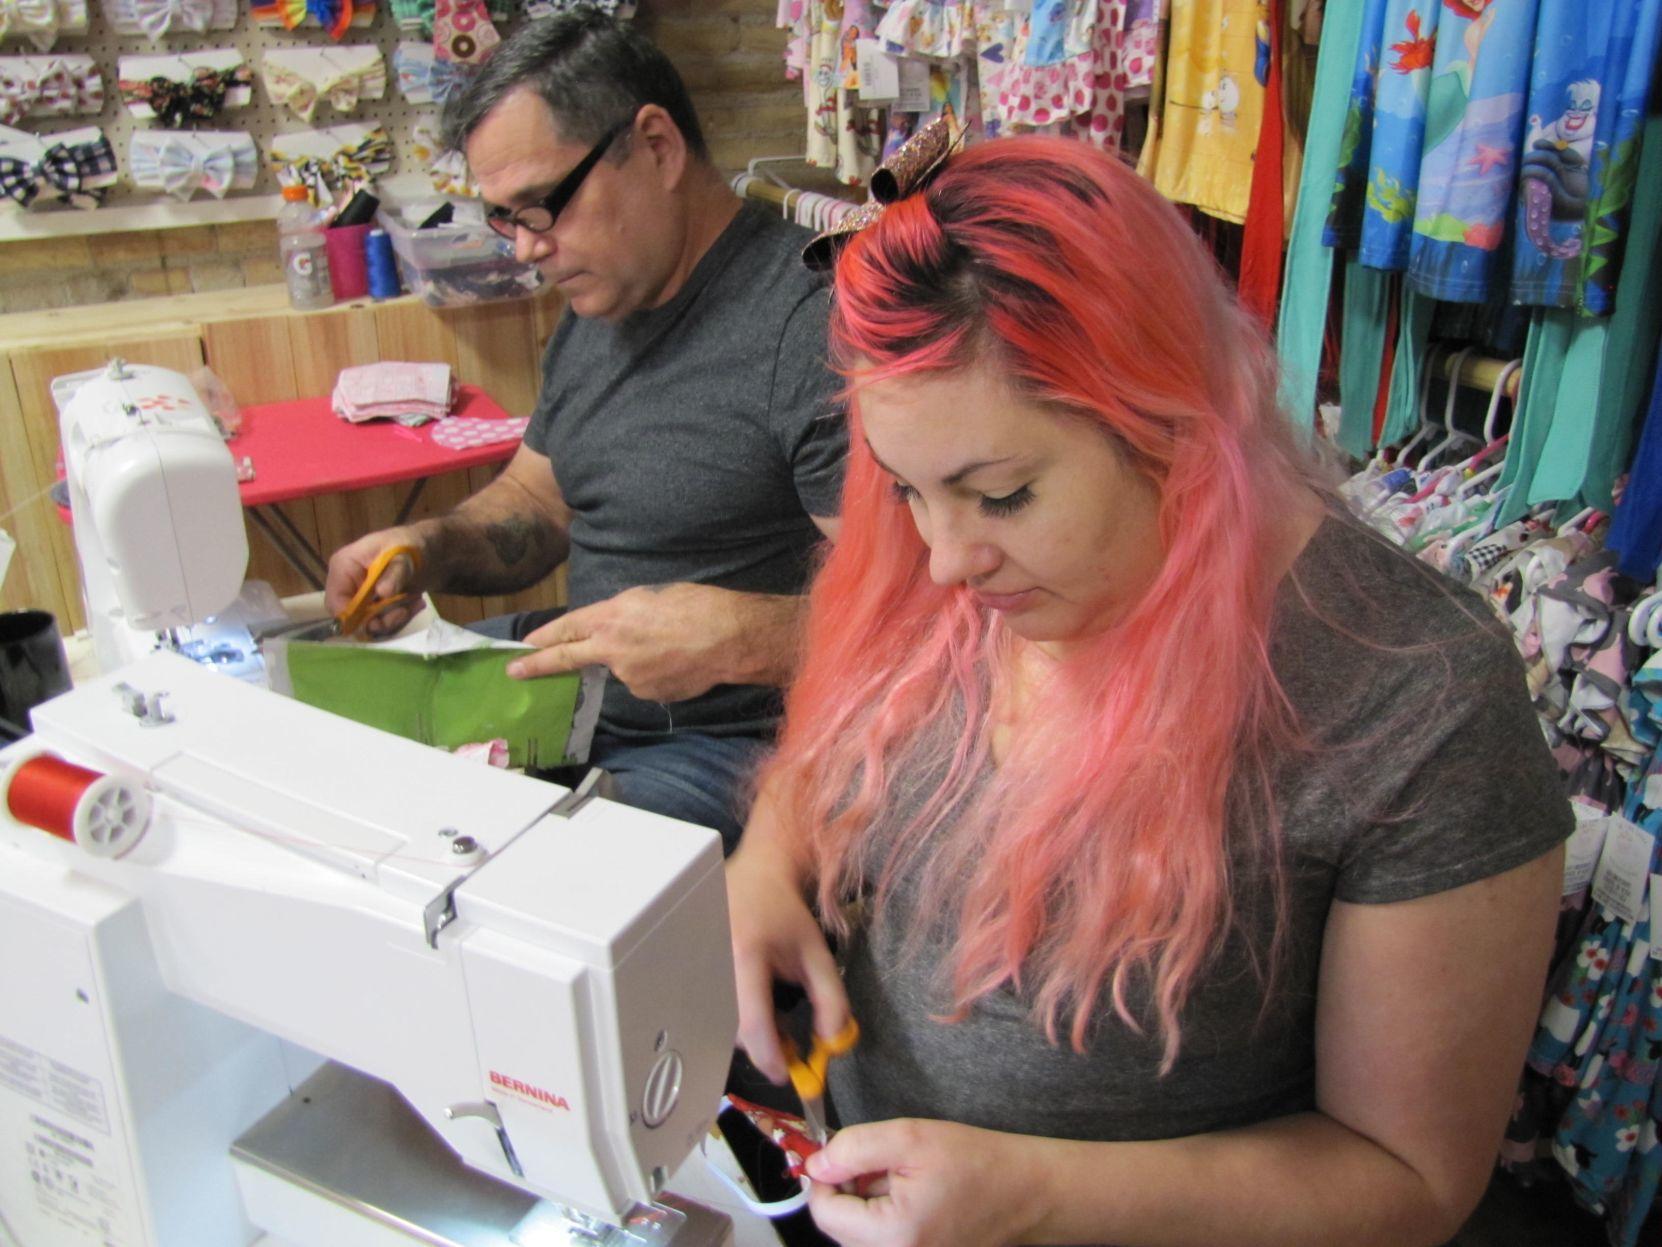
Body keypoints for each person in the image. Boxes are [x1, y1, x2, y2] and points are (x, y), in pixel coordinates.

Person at [726, 134, 1571, 1247]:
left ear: (1172, 421)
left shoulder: (1420, 699)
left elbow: (1408, 1174)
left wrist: (1036, 1197)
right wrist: (766, 865)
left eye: (1004, 494)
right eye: (904, 491)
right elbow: (837, 738)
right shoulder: (958, 557)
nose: (944, 561)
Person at [324, 13, 844, 848]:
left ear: (657, 147)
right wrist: (424, 548)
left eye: (542, 207)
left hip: (737, 744)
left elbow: (943, 618)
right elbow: (539, 503)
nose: (527, 249)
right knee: (323, 736)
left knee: (527, 865)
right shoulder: (604, 299)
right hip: (583, 697)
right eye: (505, 217)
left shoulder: (814, 323)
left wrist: (748, 638)